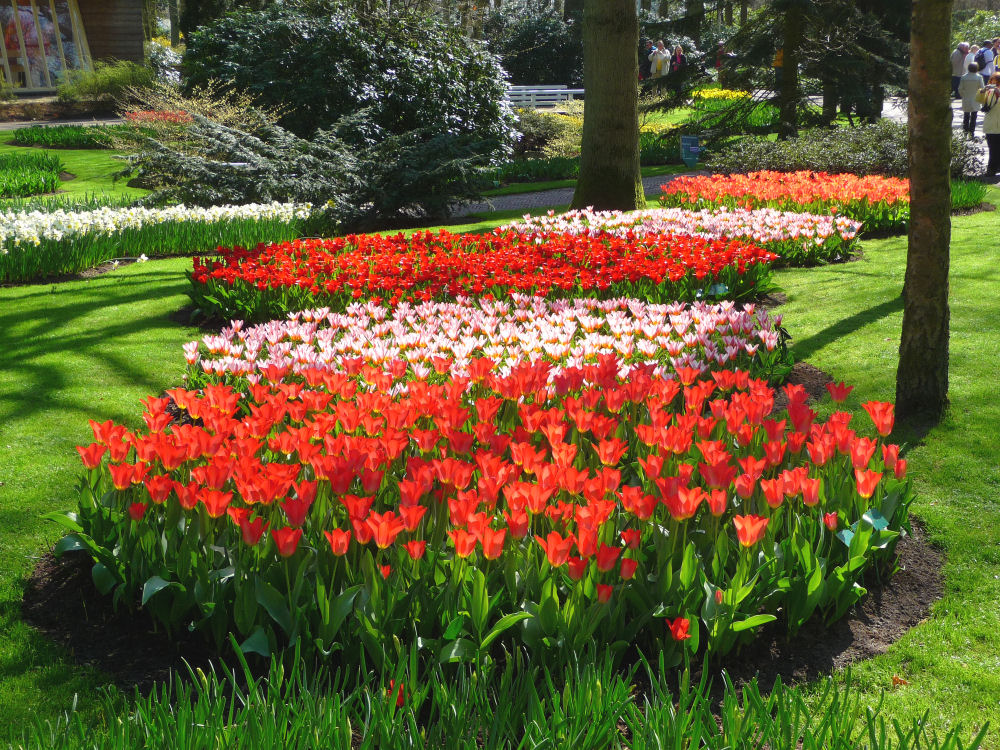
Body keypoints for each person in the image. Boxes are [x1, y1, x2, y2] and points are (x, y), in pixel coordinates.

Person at [978, 73, 1000, 181]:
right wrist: (983, 91)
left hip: (993, 125)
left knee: (993, 149)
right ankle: (996, 168)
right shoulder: (990, 92)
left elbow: (985, 104)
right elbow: (980, 101)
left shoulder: (993, 93)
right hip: (993, 125)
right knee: (995, 148)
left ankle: (992, 169)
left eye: (994, 81)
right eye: (991, 81)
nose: (992, 83)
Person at [960, 62, 983, 135]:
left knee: (966, 116)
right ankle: (972, 132)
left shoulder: (963, 77)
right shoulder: (979, 77)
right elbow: (982, 89)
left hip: (966, 98)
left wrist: (963, 95)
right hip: (975, 99)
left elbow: (960, 89)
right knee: (974, 116)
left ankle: (965, 131)